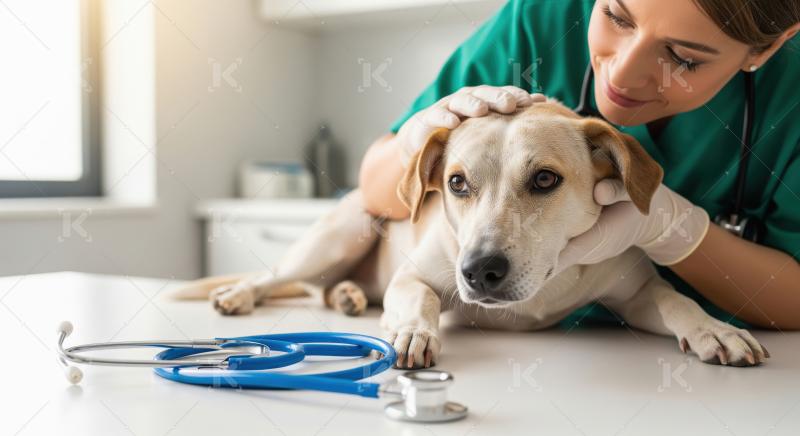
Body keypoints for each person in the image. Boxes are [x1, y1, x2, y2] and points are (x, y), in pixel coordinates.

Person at [357, 0, 800, 330]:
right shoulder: (538, 20)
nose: (623, 74)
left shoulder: (791, 97)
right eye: (616, 16)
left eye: (684, 58)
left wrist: (674, 230)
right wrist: (412, 147)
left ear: (768, 48)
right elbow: (376, 195)